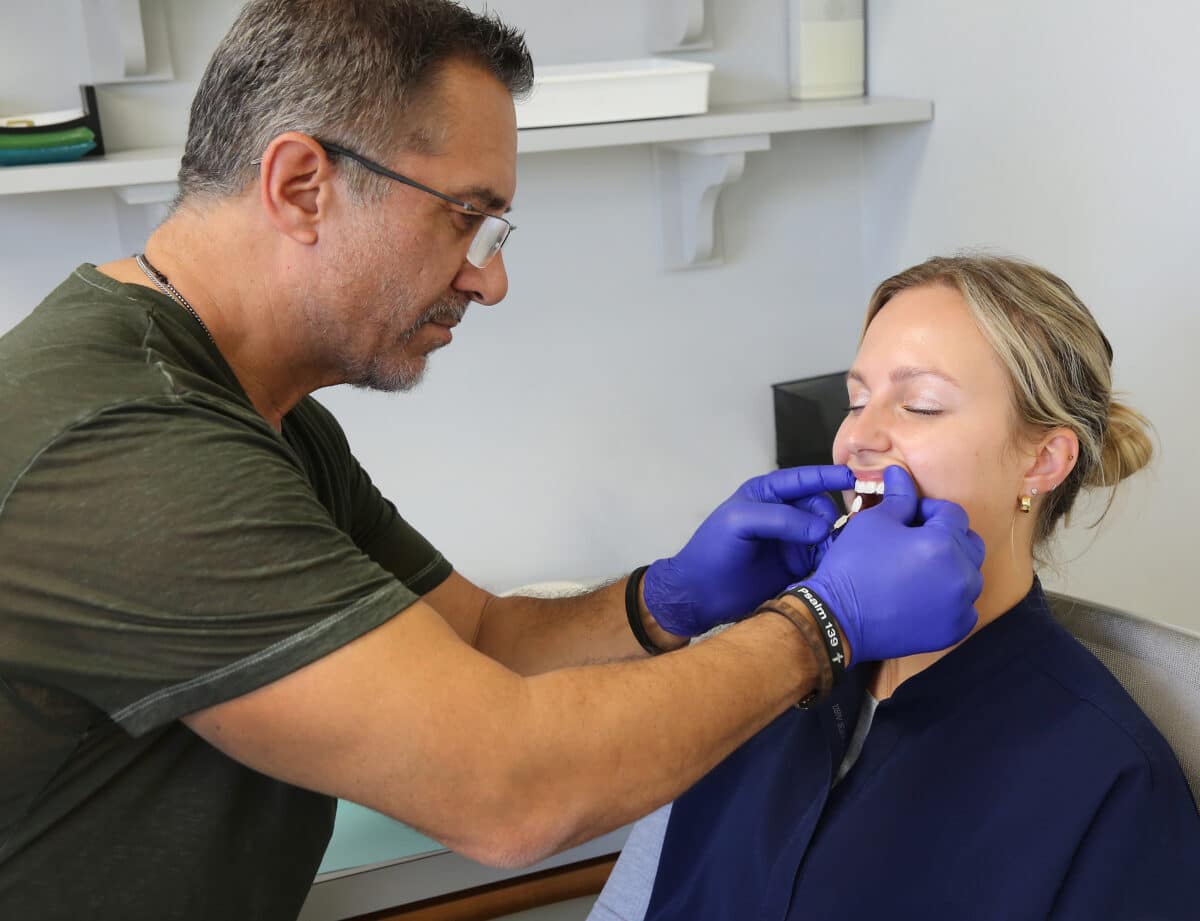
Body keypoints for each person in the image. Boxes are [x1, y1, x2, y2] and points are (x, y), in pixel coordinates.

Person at [0, 4, 987, 920]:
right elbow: (511, 792)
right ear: (301, 186)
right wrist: (822, 623)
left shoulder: (260, 414)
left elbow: (478, 636)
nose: (490, 276)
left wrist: (670, 599)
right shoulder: (128, 441)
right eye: (463, 215)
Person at [590, 254, 1200, 921]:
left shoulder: (1110, 781)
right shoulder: (757, 681)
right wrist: (670, 600)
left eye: (921, 404)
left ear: (1042, 460)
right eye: (855, 400)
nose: (856, 436)